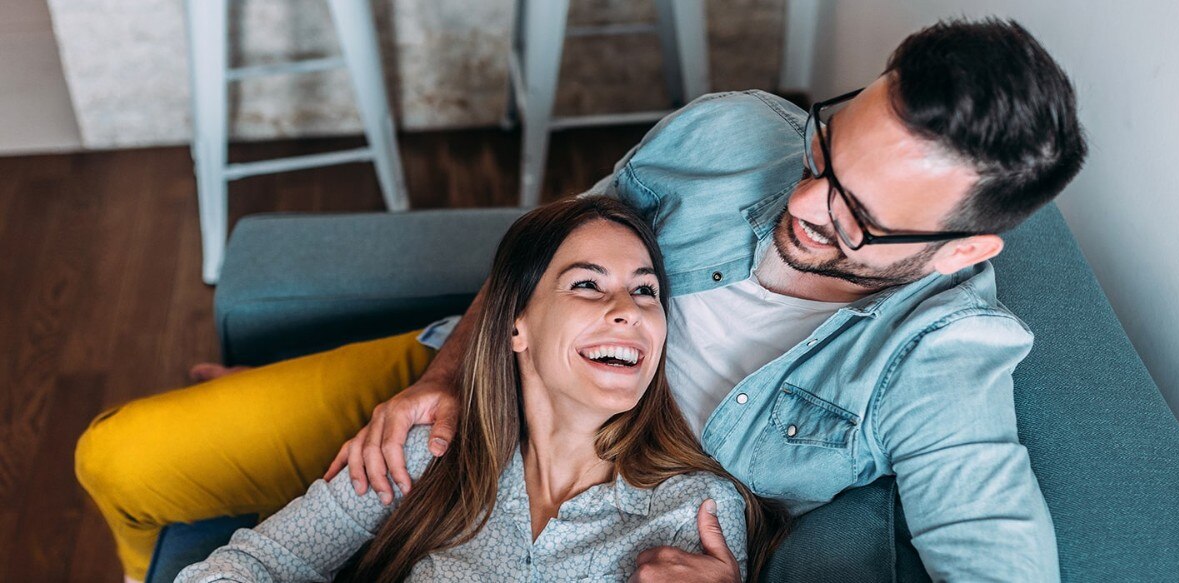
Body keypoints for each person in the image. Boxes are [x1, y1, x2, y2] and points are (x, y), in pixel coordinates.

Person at [77, 17, 1086, 582]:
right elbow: (558, 247)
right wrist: (441, 381)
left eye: (855, 217)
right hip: (465, 383)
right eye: (825, 148)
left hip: (606, 486)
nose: (803, 200)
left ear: (958, 250)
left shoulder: (944, 362)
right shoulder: (736, 132)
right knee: (120, 457)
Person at [176, 196, 785, 582]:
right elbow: (253, 564)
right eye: (587, 285)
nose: (628, 310)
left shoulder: (695, 513)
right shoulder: (430, 452)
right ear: (517, 324)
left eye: (645, 290)